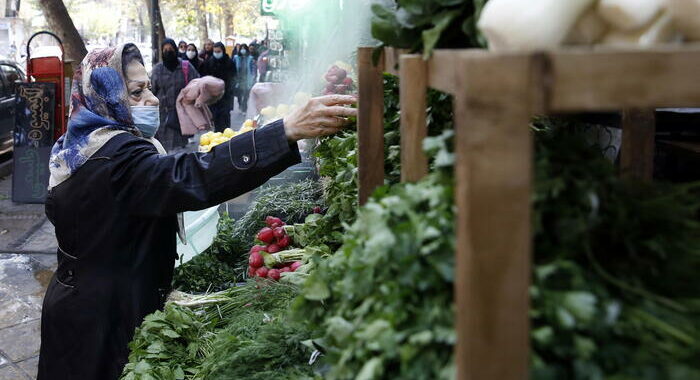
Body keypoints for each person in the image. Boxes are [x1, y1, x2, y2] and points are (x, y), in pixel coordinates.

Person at [37, 42, 356, 380]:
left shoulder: (79, 146)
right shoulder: (113, 158)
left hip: (88, 302)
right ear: (104, 97)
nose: (154, 99)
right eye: (136, 92)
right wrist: (283, 131)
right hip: (98, 321)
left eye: (149, 87)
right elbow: (191, 175)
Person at [151, 38, 200, 151]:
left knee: (180, 148)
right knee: (163, 148)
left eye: (171, 49)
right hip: (163, 116)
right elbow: (151, 91)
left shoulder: (185, 67)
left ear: (175, 49)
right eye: (165, 49)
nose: (168, 51)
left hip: (181, 115)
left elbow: (196, 83)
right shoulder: (157, 70)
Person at [200, 41, 235, 131]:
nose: (216, 54)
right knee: (215, 116)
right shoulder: (209, 62)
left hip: (226, 94)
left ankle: (227, 133)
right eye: (215, 51)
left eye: (218, 51)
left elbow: (233, 76)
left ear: (223, 51)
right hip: (213, 95)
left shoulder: (229, 62)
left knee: (225, 115)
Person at [233, 43, 256, 114]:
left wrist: (253, 77)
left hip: (247, 79)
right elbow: (233, 68)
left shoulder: (250, 58)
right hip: (238, 79)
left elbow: (253, 69)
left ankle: (244, 108)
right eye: (241, 48)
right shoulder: (236, 58)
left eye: (244, 48)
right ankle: (240, 105)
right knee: (239, 95)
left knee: (246, 95)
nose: (243, 50)